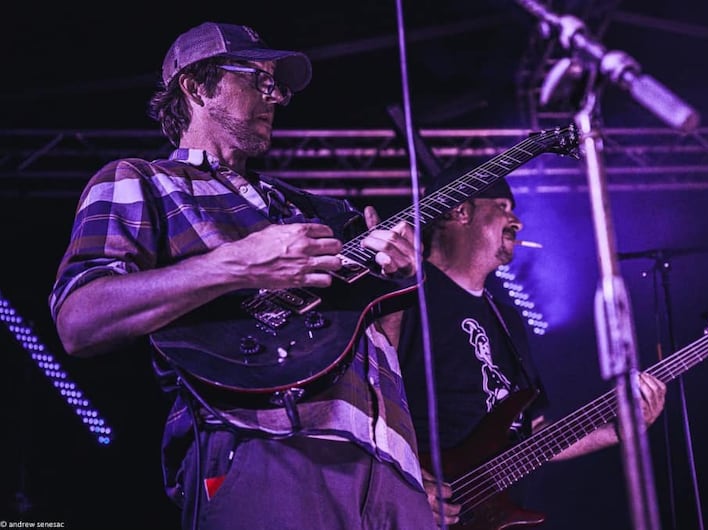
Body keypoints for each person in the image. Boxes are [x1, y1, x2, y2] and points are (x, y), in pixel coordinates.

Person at [48, 21, 437, 530]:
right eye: (258, 79)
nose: (274, 97)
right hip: (269, 447)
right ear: (196, 87)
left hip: (393, 470)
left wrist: (393, 284)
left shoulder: (313, 207)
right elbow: (79, 320)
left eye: (277, 86)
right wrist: (236, 264)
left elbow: (368, 335)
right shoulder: (142, 180)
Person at [396, 173, 668, 527]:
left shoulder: (506, 318)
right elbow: (366, 403)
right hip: (410, 508)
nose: (517, 221)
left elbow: (533, 434)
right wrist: (403, 483)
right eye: (502, 207)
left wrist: (617, 430)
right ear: (461, 211)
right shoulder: (403, 297)